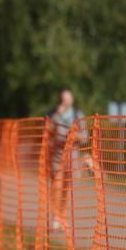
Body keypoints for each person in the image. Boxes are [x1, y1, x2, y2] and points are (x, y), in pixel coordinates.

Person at [46, 88, 87, 230]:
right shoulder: (53, 114)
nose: (66, 101)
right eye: (63, 99)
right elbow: (47, 130)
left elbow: (84, 137)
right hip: (57, 154)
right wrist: (57, 115)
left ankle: (62, 216)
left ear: (72, 100)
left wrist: (74, 137)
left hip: (72, 155)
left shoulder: (78, 115)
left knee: (66, 188)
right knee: (56, 185)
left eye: (68, 98)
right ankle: (55, 216)